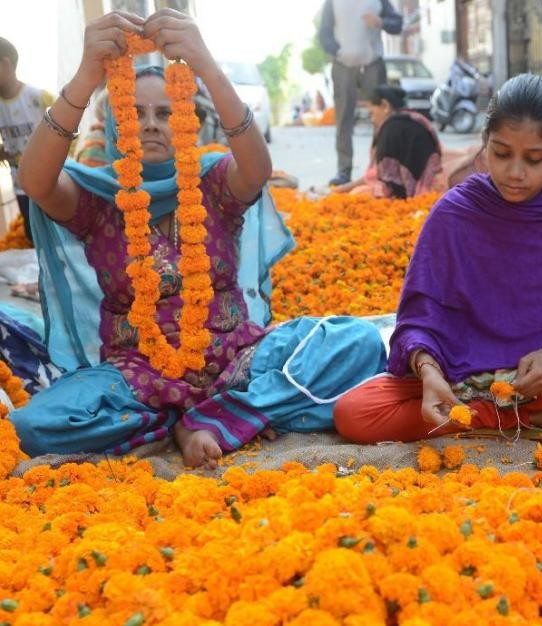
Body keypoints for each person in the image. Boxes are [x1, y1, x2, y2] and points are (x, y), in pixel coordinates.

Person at [11, 10, 386, 467]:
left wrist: (205, 65)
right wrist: (88, 74)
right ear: (113, 122)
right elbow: (35, 180)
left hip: (237, 360)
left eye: (166, 112)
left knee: (358, 343)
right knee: (34, 425)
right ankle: (181, 416)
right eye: (134, 112)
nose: (150, 123)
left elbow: (258, 170)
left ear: (186, 118)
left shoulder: (212, 183)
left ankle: (210, 418)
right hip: (139, 375)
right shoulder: (97, 200)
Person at [334, 74, 542, 444]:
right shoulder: (454, 213)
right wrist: (428, 373)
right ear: (485, 143)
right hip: (460, 378)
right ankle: (521, 415)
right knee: (355, 413)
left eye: (534, 159)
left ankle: (489, 416)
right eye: (501, 153)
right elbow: (417, 322)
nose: (515, 173)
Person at [317, 0, 403, 187]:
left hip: (372, 63)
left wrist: (381, 22)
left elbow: (397, 23)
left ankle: (382, 168)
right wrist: (338, 51)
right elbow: (324, 32)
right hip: (343, 65)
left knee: (383, 118)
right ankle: (344, 171)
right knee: (343, 118)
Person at [333, 84, 441, 198]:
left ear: (385, 106)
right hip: (432, 184)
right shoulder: (419, 120)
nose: (372, 119)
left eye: (372, 113)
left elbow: (380, 178)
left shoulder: (390, 129)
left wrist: (341, 190)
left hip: (404, 194)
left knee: (357, 195)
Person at [0, 36, 55, 242]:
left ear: (5, 64)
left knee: (56, 230)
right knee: (33, 235)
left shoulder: (38, 97)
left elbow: (69, 129)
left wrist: (63, 158)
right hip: (20, 185)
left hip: (49, 180)